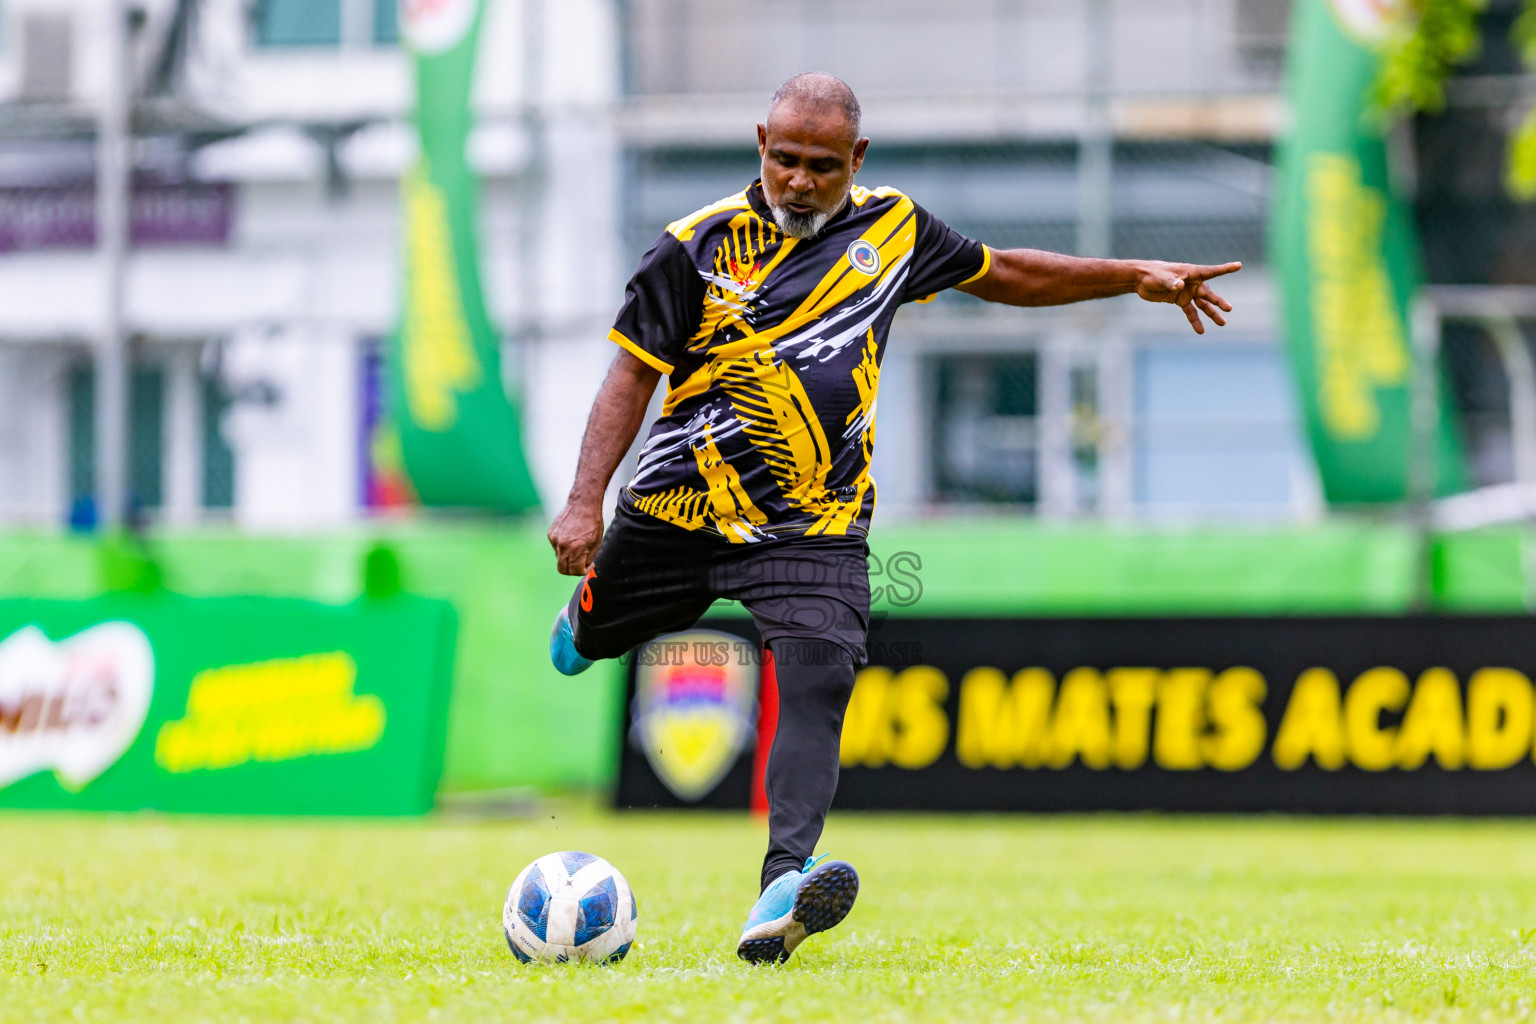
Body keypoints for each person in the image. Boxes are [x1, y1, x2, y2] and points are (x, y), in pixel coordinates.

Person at [546, 72, 1241, 964]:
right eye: (786, 159)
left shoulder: (895, 228)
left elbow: (1006, 273)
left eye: (822, 166)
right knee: (591, 644)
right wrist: (582, 501)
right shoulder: (694, 248)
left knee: (818, 676)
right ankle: (588, 619)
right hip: (680, 511)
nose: (800, 181)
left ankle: (781, 886)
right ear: (761, 142)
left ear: (857, 160)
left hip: (815, 528)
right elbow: (631, 376)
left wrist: (1129, 275)